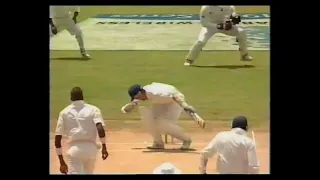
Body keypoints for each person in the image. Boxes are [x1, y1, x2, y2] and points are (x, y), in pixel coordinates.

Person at [120, 82, 195, 150]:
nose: (138, 99)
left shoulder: (156, 94)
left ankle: (186, 140)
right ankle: (158, 143)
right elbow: (133, 104)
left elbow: (175, 96)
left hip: (175, 102)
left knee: (162, 123)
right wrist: (130, 106)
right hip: (161, 102)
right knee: (148, 117)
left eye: (137, 97)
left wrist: (185, 105)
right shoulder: (144, 93)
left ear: (140, 93)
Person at [54, 87, 108, 174]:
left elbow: (57, 138)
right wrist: (104, 147)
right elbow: (100, 128)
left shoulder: (64, 112)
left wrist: (61, 161)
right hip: (91, 149)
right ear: (82, 97)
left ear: (71, 98)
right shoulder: (94, 109)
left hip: (74, 150)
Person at [184, 6, 252, 66]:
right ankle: (189, 59)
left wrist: (234, 16)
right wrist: (217, 26)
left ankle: (244, 55)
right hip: (210, 27)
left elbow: (232, 9)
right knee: (200, 41)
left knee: (241, 32)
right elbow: (204, 22)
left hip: (225, 26)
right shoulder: (205, 8)